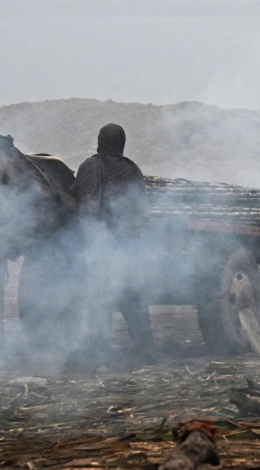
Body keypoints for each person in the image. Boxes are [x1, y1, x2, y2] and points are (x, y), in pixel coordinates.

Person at [72, 124, 155, 363]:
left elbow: (87, 205)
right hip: (129, 249)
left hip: (103, 248)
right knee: (134, 302)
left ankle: (99, 356)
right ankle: (147, 355)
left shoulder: (91, 166)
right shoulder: (133, 169)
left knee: (100, 301)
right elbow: (143, 212)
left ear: (100, 140)